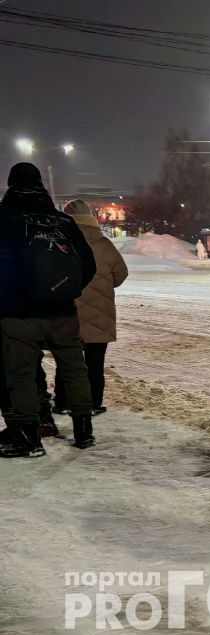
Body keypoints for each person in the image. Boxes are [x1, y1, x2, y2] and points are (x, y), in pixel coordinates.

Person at [0, 163, 98, 457]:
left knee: (21, 373)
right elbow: (88, 265)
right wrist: (66, 292)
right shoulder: (62, 221)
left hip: (18, 314)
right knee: (74, 369)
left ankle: (28, 438)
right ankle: (83, 431)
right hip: (63, 312)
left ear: (11, 184)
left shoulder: (5, 218)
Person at [55, 200, 128, 415]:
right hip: (99, 314)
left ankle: (63, 403)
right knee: (95, 364)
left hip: (67, 313)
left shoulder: (60, 242)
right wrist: (104, 285)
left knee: (67, 362)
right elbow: (121, 273)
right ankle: (94, 403)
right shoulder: (104, 244)